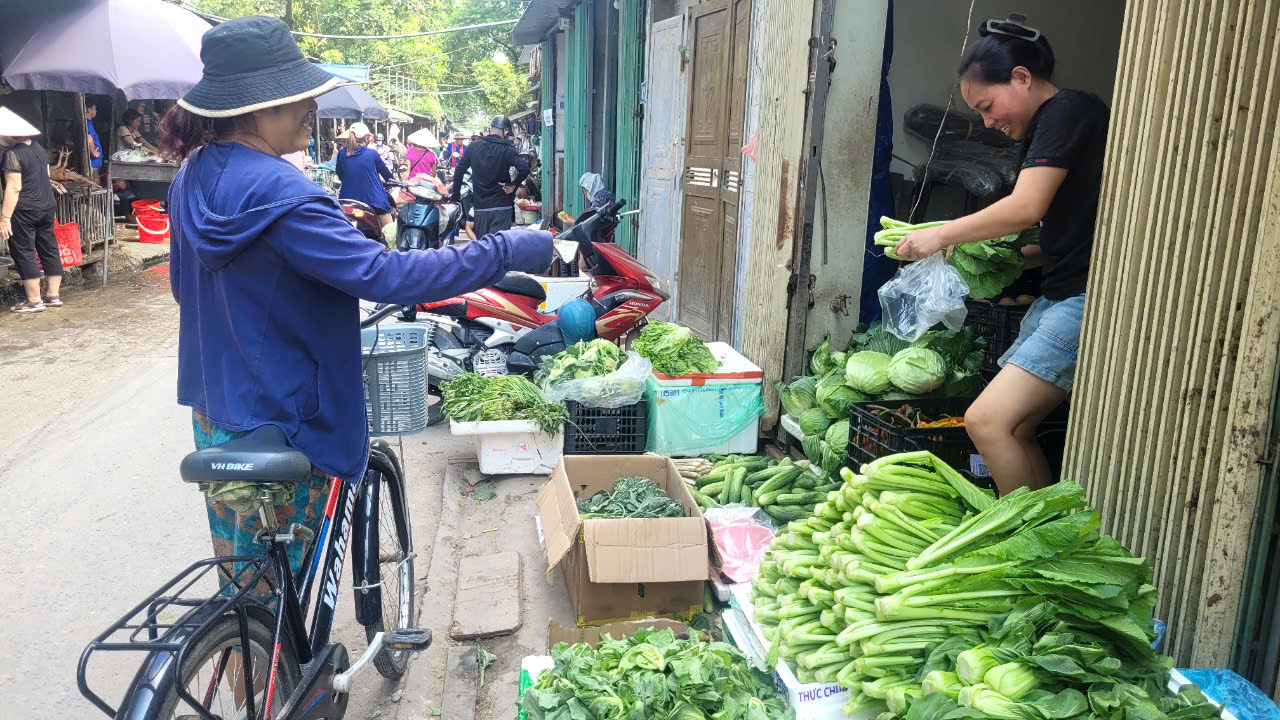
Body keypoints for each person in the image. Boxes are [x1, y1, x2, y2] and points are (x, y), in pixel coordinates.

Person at [161, 16, 552, 596]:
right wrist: (505, 248)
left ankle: (246, 679)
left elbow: (183, 286)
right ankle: (304, 690)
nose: (312, 108)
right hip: (291, 418)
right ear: (257, 106)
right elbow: (385, 274)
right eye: (300, 96)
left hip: (218, 413)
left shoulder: (190, 179)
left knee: (248, 595)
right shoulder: (284, 193)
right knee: (290, 599)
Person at [893, 17, 1108, 495]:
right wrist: (1002, 260)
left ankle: (1022, 542)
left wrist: (943, 235)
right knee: (1012, 429)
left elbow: (1026, 207)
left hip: (1083, 296)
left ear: (1022, 77)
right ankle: (1046, 533)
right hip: (1060, 293)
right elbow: (1066, 230)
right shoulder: (1048, 126)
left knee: (987, 422)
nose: (988, 122)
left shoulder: (1067, 111)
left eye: (987, 107)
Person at [0, 107, 68, 312]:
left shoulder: (12, 154)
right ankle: (53, 296)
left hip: (24, 210)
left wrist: (4, 217)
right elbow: (43, 176)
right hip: (46, 206)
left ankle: (34, 300)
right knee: (49, 247)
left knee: (24, 251)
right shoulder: (38, 148)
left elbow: (14, 187)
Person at [451, 116, 530, 237]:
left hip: (481, 208)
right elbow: (524, 168)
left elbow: (459, 171)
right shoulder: (508, 148)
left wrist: (455, 196)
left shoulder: (473, 147)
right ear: (506, 131)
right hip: (502, 207)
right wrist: (513, 185)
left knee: (484, 247)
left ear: (491, 128)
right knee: (498, 248)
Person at [335, 122, 395, 226]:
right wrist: (391, 181)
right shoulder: (372, 154)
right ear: (367, 138)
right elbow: (387, 176)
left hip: (346, 201)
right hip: (374, 201)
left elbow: (340, 174)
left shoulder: (341, 154)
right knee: (389, 232)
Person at [84, 101, 103, 174]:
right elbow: (89, 138)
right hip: (93, 164)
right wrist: (94, 153)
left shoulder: (89, 123)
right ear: (89, 110)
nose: (96, 111)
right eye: (94, 109)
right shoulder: (87, 124)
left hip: (94, 163)